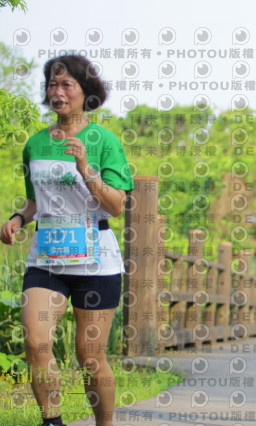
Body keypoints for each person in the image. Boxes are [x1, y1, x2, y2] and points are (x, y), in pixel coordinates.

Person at [0, 55, 133, 426]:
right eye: (52, 85)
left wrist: (86, 169)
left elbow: (116, 206)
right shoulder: (35, 144)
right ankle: (52, 422)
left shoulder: (105, 141)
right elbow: (34, 203)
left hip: (95, 260)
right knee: (36, 341)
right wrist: (17, 219)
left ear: (85, 92)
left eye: (66, 85)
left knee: (90, 356)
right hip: (46, 259)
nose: (57, 92)